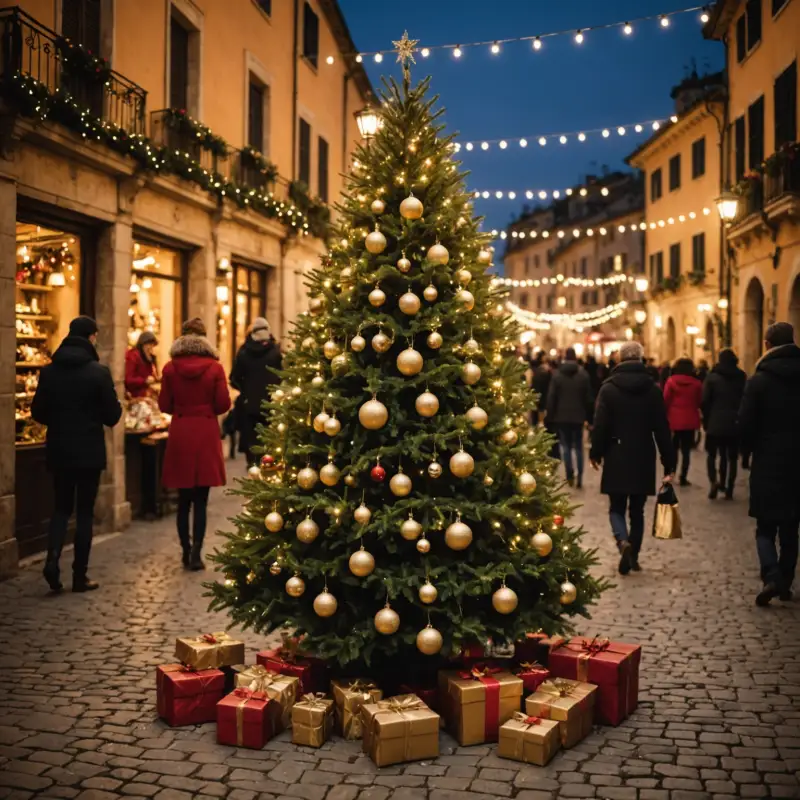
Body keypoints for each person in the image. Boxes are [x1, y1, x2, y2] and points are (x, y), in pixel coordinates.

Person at [31, 316, 122, 593]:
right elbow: (113, 416)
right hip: (89, 452)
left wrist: (61, 420)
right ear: (91, 337)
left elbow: (37, 412)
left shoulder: (49, 372)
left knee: (60, 508)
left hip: (59, 448)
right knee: (84, 512)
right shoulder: (99, 373)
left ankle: (52, 559)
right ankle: (79, 575)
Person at [589, 341, 675, 574]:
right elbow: (662, 428)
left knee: (616, 507)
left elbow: (601, 425)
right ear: (641, 359)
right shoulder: (653, 389)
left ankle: (622, 541)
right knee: (637, 511)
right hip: (643, 455)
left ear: (619, 359)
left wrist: (595, 452)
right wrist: (669, 462)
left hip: (616, 453)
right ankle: (634, 556)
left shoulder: (608, 388)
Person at [159, 317, 231, 570]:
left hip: (181, 431)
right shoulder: (215, 368)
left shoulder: (170, 368)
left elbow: (164, 405)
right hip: (206, 431)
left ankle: (184, 549)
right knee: (201, 500)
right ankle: (197, 554)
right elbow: (223, 404)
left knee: (183, 500)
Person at [738, 322, 800, 606]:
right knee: (791, 527)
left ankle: (771, 575)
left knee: (765, 526)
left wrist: (745, 453)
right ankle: (785, 582)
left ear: (766, 345)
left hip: (767, 461)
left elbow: (746, 423)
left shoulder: (759, 380)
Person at [230, 317, 282, 466]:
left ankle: (252, 470)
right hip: (271, 405)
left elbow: (234, 378)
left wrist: (245, 390)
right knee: (270, 444)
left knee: (251, 444)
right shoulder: (275, 352)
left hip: (249, 407)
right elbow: (282, 376)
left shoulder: (244, 352)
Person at [701, 348, 746, 500]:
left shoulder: (712, 378)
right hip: (734, 422)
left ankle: (714, 482)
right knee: (731, 457)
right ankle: (729, 487)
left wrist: (706, 421)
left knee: (712, 455)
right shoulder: (741, 376)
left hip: (715, 421)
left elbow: (705, 401)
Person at [546, 347, 593, 488]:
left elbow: (551, 397)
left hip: (561, 417)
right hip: (578, 417)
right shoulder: (583, 375)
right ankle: (580, 477)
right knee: (579, 447)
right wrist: (589, 418)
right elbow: (589, 399)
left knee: (565, 446)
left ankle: (569, 474)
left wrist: (550, 416)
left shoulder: (557, 375)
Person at [663, 358, 702, 486]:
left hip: (673, 420)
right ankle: (683, 477)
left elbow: (666, 400)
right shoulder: (696, 383)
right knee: (686, 451)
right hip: (690, 420)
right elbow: (699, 401)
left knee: (673, 449)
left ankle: (670, 474)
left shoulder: (671, 381)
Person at [124, 331, 158, 397]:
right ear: (143, 344)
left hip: (146, 393)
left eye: (152, 345)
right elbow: (129, 380)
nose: (151, 348)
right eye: (149, 344)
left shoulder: (147, 357)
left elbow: (151, 376)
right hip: (136, 394)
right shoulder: (133, 356)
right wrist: (144, 381)